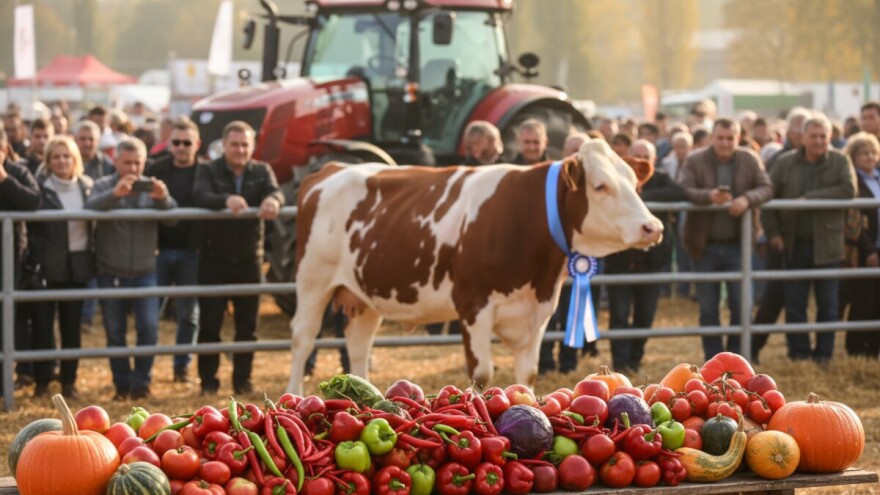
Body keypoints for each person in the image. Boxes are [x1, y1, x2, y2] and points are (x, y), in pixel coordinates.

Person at [194, 120, 283, 395]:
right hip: (214, 258)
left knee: (248, 326)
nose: (240, 150)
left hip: (248, 258)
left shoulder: (262, 170)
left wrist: (274, 201)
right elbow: (200, 195)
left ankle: (242, 381)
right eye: (234, 144)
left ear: (252, 146)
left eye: (245, 144)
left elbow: (276, 190)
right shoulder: (209, 169)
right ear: (224, 146)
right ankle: (208, 382)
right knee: (210, 324)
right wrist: (225, 200)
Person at [86, 138, 177, 400]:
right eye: (127, 162)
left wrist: (163, 199)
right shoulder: (104, 184)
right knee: (115, 332)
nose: (133, 168)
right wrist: (115, 195)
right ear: (116, 161)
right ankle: (122, 385)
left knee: (148, 328)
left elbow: (174, 218)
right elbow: (88, 208)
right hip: (110, 269)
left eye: (138, 162)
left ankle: (142, 384)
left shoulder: (152, 188)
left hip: (145, 269)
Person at [762, 115, 856, 363]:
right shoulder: (785, 163)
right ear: (802, 138)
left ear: (830, 137)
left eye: (823, 136)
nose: (818, 141)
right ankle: (799, 354)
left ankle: (824, 355)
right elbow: (767, 198)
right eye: (813, 136)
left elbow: (849, 189)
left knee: (828, 305)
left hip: (828, 245)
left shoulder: (840, 160)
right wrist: (773, 233)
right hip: (794, 243)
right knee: (795, 304)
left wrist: (810, 198)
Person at [678, 118, 773, 360]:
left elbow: (766, 187)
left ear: (738, 138)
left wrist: (747, 199)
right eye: (720, 138)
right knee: (708, 307)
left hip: (738, 245)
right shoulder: (695, 160)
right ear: (712, 138)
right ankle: (713, 361)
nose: (725, 143)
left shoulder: (749, 158)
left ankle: (736, 360)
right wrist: (708, 196)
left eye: (730, 138)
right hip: (704, 245)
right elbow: (684, 188)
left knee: (741, 306)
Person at [606, 144, 686, 373]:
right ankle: (620, 365)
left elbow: (679, 193)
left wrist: (640, 198)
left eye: (646, 157)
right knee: (619, 315)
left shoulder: (661, 179)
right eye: (637, 156)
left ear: (654, 159)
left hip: (650, 263)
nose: (641, 161)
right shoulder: (617, 180)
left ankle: (634, 361)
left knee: (645, 316)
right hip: (621, 261)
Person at [27, 136, 95, 398]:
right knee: (43, 326)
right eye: (56, 156)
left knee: (72, 326)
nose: (61, 161)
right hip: (47, 265)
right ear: (48, 161)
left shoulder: (87, 187)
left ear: (75, 159)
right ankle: (42, 382)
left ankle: (69, 381)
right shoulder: (39, 189)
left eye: (66, 156)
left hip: (77, 265)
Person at [144, 119, 203, 383]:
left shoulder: (206, 172)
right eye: (176, 142)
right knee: (150, 312)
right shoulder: (155, 169)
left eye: (186, 143)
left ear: (196, 144)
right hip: (159, 249)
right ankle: (146, 369)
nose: (181, 148)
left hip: (193, 250)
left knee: (189, 314)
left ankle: (182, 367)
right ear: (169, 144)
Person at [0, 128, 41, 395]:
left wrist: (4, 178)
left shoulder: (17, 171)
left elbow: (33, 201)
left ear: (4, 148)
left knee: (10, 317)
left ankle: (12, 379)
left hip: (10, 258)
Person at [840, 132, 880, 358]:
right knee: (862, 300)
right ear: (853, 156)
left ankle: (874, 349)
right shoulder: (853, 181)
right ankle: (855, 349)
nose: (870, 156)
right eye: (864, 152)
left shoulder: (878, 178)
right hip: (863, 249)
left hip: (879, 246)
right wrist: (869, 250)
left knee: (878, 302)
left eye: (873, 152)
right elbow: (854, 220)